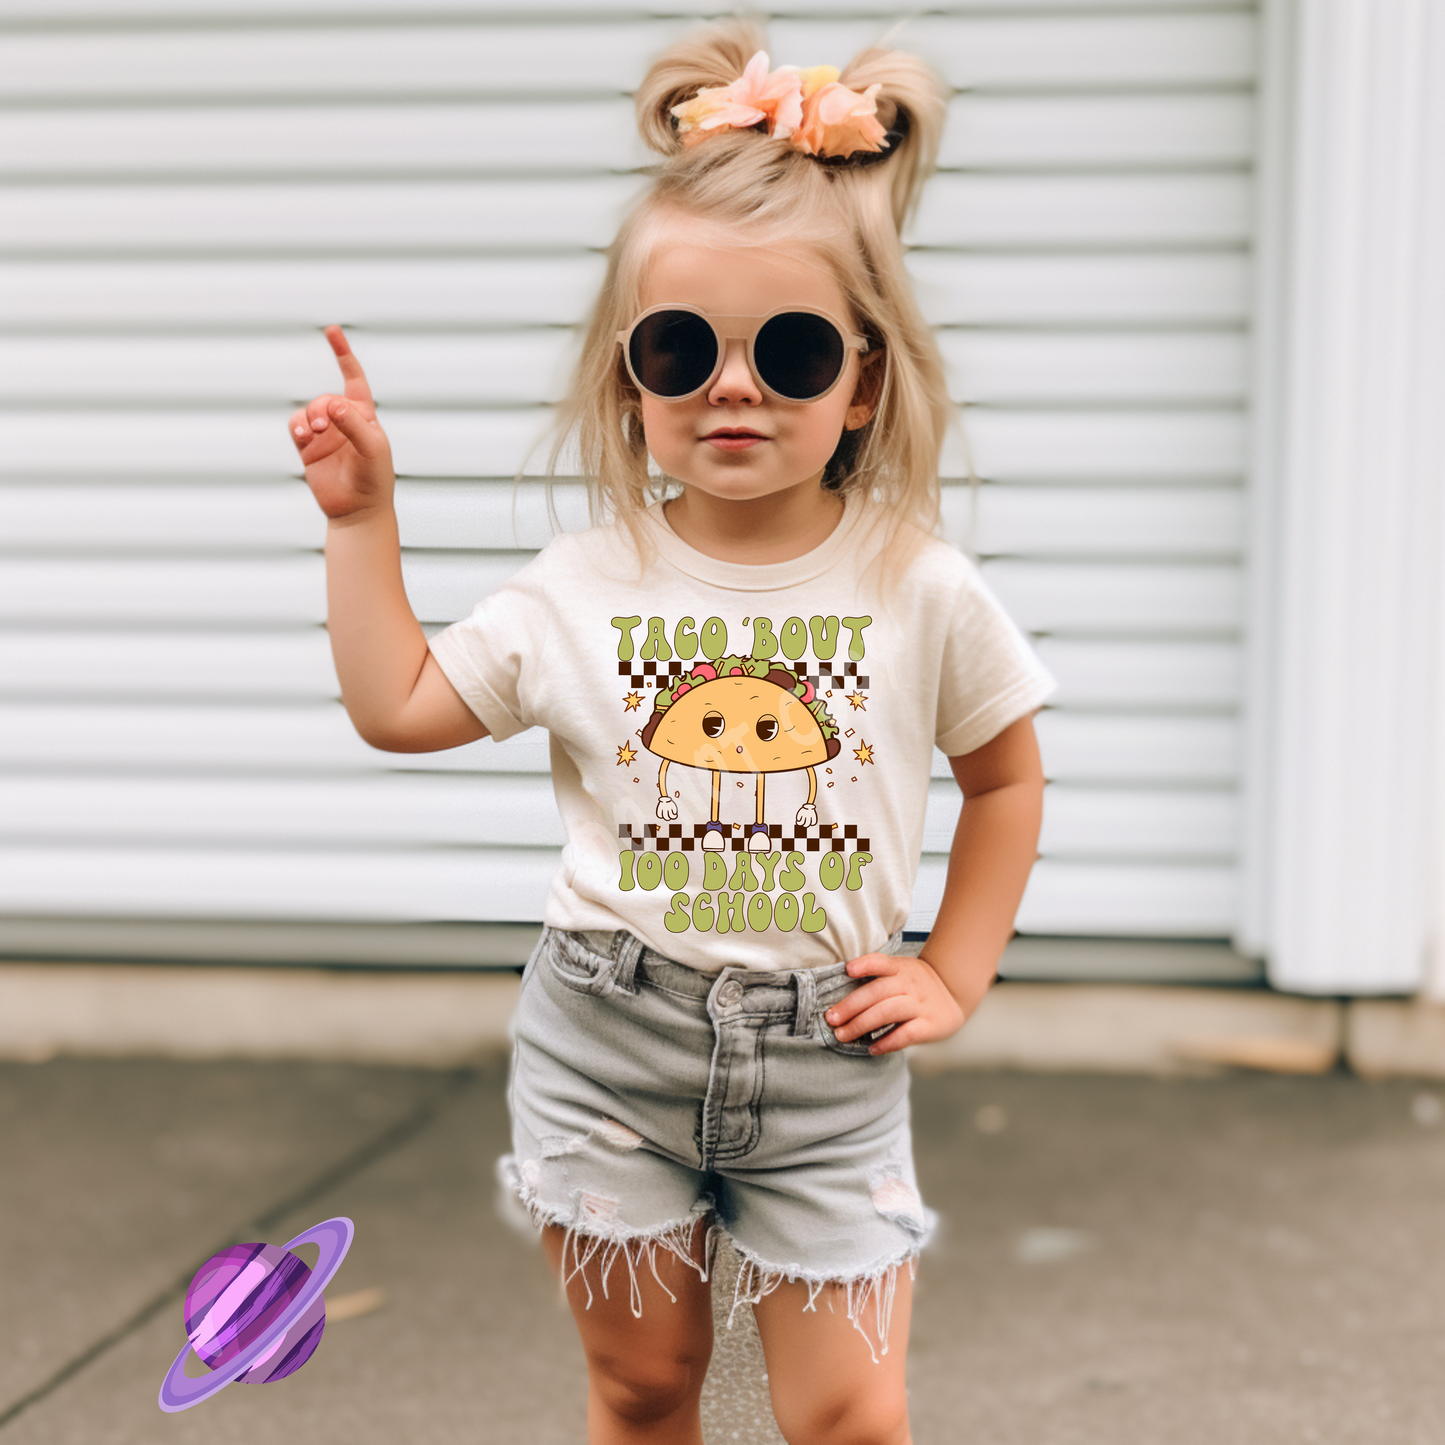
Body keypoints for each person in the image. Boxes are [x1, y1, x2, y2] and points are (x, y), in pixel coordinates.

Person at [288, 18, 1056, 1444]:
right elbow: (398, 707)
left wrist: (956, 970)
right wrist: (362, 522)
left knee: (851, 1415)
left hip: (829, 1064)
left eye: (795, 349)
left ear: (866, 382)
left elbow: (1006, 779)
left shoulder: (920, 586)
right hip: (607, 1045)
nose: (735, 383)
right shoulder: (581, 587)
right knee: (645, 1387)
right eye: (682, 346)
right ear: (629, 380)